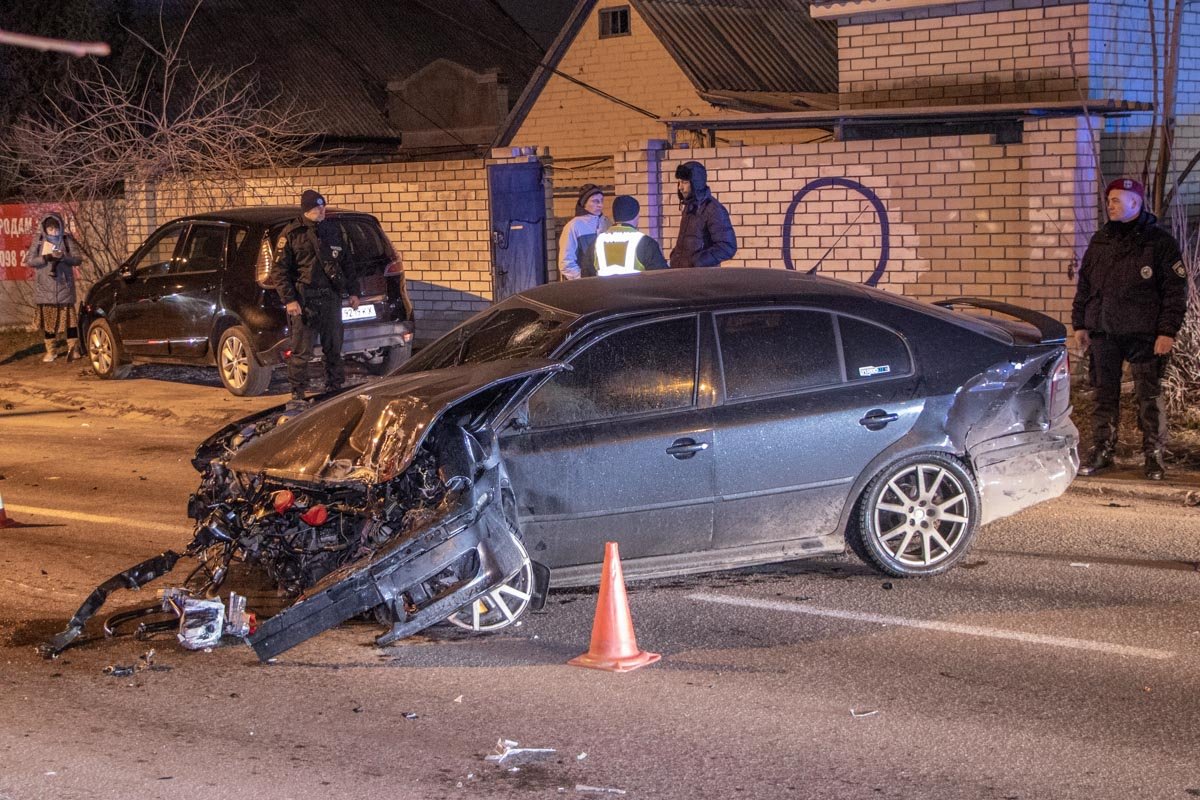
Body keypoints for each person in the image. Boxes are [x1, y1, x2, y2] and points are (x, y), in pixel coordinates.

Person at [1071, 177, 1188, 480]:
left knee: (1148, 397)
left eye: (1116, 201)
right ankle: (1102, 450)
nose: (1110, 205)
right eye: (1109, 200)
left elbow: (1175, 291)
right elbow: (1085, 285)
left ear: (1135, 204)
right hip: (1105, 331)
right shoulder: (1101, 240)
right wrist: (1081, 324)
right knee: (1103, 395)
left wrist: (1167, 332)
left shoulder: (1158, 243)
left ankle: (1154, 455)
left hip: (1145, 334)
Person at [269, 189, 360, 407]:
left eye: (323, 206)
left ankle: (334, 388)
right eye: (318, 208)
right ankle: (298, 392)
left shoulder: (332, 230)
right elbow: (279, 271)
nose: (322, 210)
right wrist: (289, 300)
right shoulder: (291, 234)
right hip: (304, 301)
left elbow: (346, 263)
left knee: (334, 348)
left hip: (330, 298)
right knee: (301, 352)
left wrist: (354, 292)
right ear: (307, 209)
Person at [24, 213, 83, 363]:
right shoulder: (39, 241)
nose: (54, 232)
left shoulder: (66, 239)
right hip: (45, 287)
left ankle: (73, 348)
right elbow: (30, 261)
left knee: (70, 321)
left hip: (64, 286)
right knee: (49, 322)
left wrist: (64, 258)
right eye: (50, 229)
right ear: (45, 228)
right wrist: (45, 258)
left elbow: (77, 259)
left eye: (56, 229)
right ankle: (51, 351)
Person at [669, 160, 737, 269]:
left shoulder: (713, 209)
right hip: (685, 276)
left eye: (685, 182)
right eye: (679, 182)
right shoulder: (689, 207)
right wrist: (675, 257)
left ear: (696, 183)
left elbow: (727, 247)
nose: (680, 187)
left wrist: (698, 261)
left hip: (702, 279)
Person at [593, 195, 668, 275]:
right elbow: (661, 277)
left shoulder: (597, 242)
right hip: (637, 287)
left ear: (614, 215)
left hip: (604, 287)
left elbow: (587, 278)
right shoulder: (645, 243)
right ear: (637, 216)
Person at [558, 184, 610, 279]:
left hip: (604, 281)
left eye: (602, 200)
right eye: (595, 201)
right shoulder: (574, 226)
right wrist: (582, 279)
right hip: (585, 284)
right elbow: (566, 262)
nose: (600, 205)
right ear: (584, 203)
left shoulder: (606, 223)